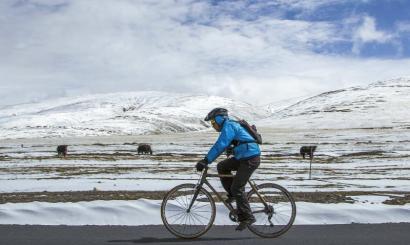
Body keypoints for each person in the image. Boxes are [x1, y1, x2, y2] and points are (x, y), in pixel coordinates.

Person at [196, 108, 261, 231]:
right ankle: (233, 194)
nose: (213, 125)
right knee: (222, 166)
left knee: (237, 187)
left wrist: (206, 160)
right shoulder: (230, 126)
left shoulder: (229, 125)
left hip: (250, 158)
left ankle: (247, 217)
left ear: (219, 119)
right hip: (243, 157)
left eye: (213, 122)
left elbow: (221, 144)